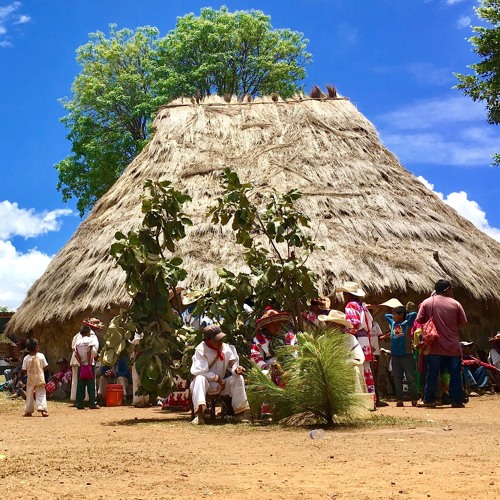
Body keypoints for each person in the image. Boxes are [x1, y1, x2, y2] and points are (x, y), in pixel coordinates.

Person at [416, 279, 467, 408]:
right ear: (448, 289)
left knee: (432, 373)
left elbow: (420, 320)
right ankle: (456, 400)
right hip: (452, 346)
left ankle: (429, 400)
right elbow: (463, 323)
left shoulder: (427, 302)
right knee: (455, 373)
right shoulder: (456, 304)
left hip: (435, 345)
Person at [190, 325, 250, 425]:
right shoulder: (200, 350)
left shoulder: (226, 348)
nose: (220, 342)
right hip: (204, 385)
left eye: (221, 339)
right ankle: (199, 415)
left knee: (238, 378)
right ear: (208, 340)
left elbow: (232, 365)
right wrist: (217, 378)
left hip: (221, 386)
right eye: (216, 340)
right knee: (200, 379)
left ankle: (240, 414)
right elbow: (199, 371)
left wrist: (237, 370)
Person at [335, 281, 376, 403]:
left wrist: (345, 334)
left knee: (359, 368)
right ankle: (371, 398)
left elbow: (353, 324)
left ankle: (361, 398)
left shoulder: (351, 306)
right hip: (365, 340)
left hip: (357, 339)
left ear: (347, 294)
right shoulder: (362, 305)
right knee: (366, 369)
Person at [250, 307, 296, 388]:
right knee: (265, 375)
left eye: (278, 323)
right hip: (270, 369)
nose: (277, 326)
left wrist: (290, 367)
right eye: (273, 324)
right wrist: (269, 368)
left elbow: (294, 353)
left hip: (289, 366)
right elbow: (255, 358)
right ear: (266, 326)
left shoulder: (289, 336)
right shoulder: (258, 339)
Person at [384, 305, 419, 407]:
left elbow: (414, 314)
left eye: (395, 314)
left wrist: (404, 315)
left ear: (401, 315)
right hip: (395, 355)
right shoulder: (393, 323)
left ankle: (414, 398)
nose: (393, 316)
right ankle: (399, 399)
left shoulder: (407, 324)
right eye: (393, 314)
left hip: (406, 354)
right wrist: (395, 314)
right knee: (397, 378)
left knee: (410, 378)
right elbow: (386, 316)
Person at [70, 318, 103, 401]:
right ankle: (90, 400)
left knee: (78, 382)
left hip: (78, 361)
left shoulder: (77, 336)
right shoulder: (92, 337)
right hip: (88, 363)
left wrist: (80, 361)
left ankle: (77, 400)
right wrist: (96, 356)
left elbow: (74, 350)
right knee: (90, 382)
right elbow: (93, 351)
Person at [74, 324, 100, 410]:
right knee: (91, 385)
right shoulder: (90, 340)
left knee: (80, 385)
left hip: (81, 366)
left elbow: (76, 354)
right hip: (90, 365)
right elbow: (90, 351)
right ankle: (92, 403)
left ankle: (79, 403)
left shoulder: (77, 342)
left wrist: (81, 363)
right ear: (89, 332)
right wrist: (88, 363)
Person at [21, 338, 49, 417]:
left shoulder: (26, 358)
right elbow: (46, 366)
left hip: (30, 379)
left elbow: (24, 369)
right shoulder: (41, 356)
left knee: (29, 395)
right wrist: (40, 370)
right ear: (37, 347)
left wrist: (28, 373)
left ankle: (29, 411)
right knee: (41, 393)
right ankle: (43, 409)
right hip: (40, 378)